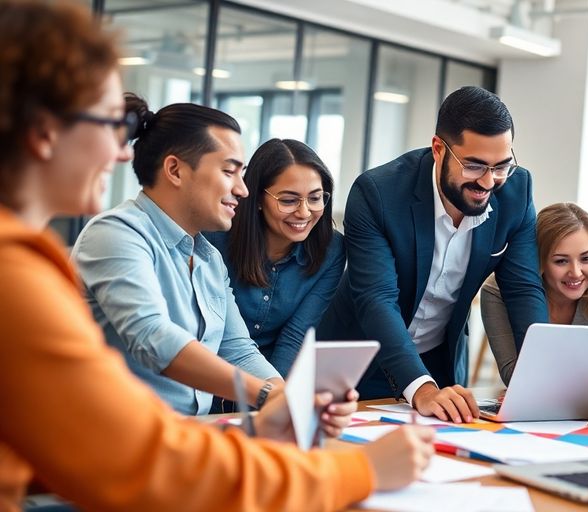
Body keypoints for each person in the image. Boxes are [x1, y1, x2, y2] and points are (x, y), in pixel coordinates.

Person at [0, 1, 433, 510]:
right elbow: (149, 432)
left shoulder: (204, 255)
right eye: (108, 125)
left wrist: (284, 399)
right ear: (46, 131)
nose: (121, 152)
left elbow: (234, 346)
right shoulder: (40, 264)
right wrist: (356, 470)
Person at [318, 86, 548, 422]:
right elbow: (377, 298)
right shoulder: (378, 194)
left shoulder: (516, 191)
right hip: (359, 363)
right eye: (474, 166)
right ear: (439, 149)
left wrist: (541, 379)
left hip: (439, 366)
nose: (488, 182)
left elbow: (523, 288)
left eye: (501, 166)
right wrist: (421, 388)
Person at [70, 93, 286, 416]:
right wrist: (267, 395)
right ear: (175, 170)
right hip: (118, 441)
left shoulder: (210, 260)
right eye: (230, 172)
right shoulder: (116, 233)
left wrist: (290, 397)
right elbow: (153, 337)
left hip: (190, 436)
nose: (243, 189)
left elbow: (237, 350)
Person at [207, 138, 344, 377]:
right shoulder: (215, 238)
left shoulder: (331, 249)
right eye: (289, 200)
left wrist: (273, 399)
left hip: (274, 378)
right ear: (258, 198)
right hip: (210, 376)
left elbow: (296, 336)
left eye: (315, 198)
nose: (304, 212)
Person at [481, 202, 588, 410]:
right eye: (561, 261)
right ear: (537, 261)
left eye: (586, 259)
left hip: (586, 414)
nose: (576, 272)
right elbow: (514, 375)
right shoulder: (497, 292)